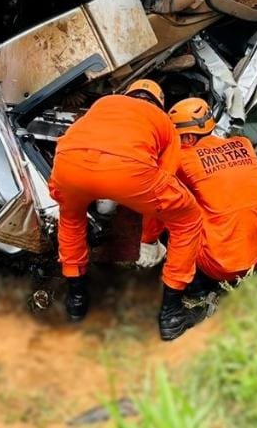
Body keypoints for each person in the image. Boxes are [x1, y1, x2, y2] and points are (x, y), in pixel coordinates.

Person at [48, 79, 207, 341]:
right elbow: (164, 183)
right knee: (187, 220)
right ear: (160, 103)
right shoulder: (163, 120)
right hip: (128, 171)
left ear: (128, 93)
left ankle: (76, 300)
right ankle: (171, 314)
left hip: (68, 163)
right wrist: (148, 239)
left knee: (72, 218)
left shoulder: (103, 103)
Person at [143, 98, 257, 288]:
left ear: (188, 138)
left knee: (170, 207)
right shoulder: (244, 144)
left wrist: (147, 241)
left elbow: (158, 200)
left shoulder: (182, 158)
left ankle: (194, 284)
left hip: (220, 266)